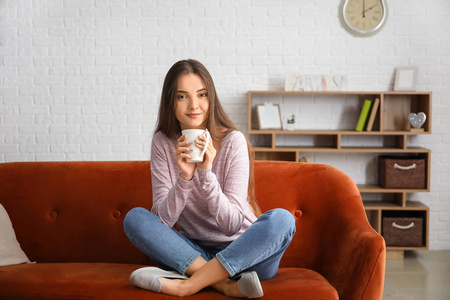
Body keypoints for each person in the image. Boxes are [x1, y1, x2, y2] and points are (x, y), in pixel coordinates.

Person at [123, 59, 296, 298]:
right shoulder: (162, 142)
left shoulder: (233, 140)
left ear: (211, 98)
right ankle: (224, 284)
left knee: (282, 220)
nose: (194, 105)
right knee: (136, 219)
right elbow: (162, 221)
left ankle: (189, 284)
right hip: (196, 253)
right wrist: (185, 177)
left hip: (246, 253)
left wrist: (205, 174)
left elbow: (231, 225)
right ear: (170, 103)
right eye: (182, 96)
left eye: (201, 94)